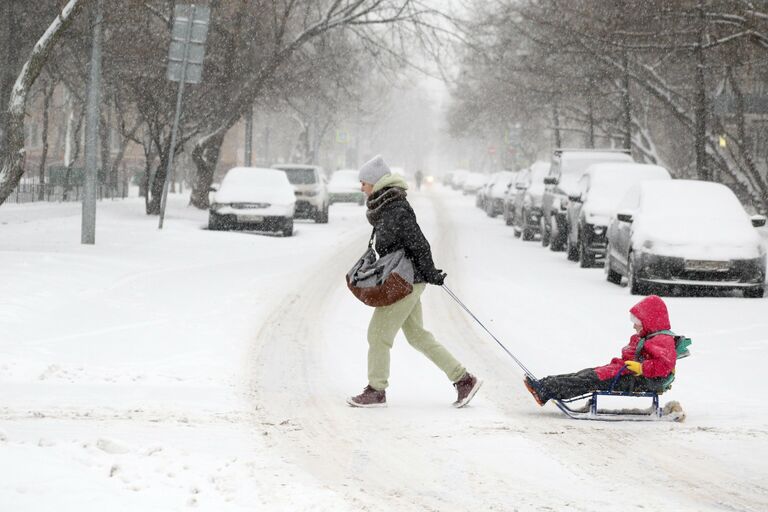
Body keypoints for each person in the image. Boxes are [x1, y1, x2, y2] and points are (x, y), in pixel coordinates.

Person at [347, 155, 482, 408]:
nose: (361, 187)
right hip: (407, 279)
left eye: (363, 182)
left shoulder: (395, 208)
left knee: (377, 335)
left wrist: (429, 271)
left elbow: (418, 242)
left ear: (375, 183)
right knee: (417, 336)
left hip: (405, 281)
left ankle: (376, 390)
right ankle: (464, 380)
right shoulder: (385, 206)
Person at [524, 295, 677, 406]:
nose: (634, 325)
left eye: (637, 321)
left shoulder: (662, 339)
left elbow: (664, 366)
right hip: (628, 374)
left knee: (590, 380)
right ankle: (544, 386)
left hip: (640, 381)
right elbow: (630, 356)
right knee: (587, 374)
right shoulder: (649, 337)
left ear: (649, 320)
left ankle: (545, 389)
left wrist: (641, 368)